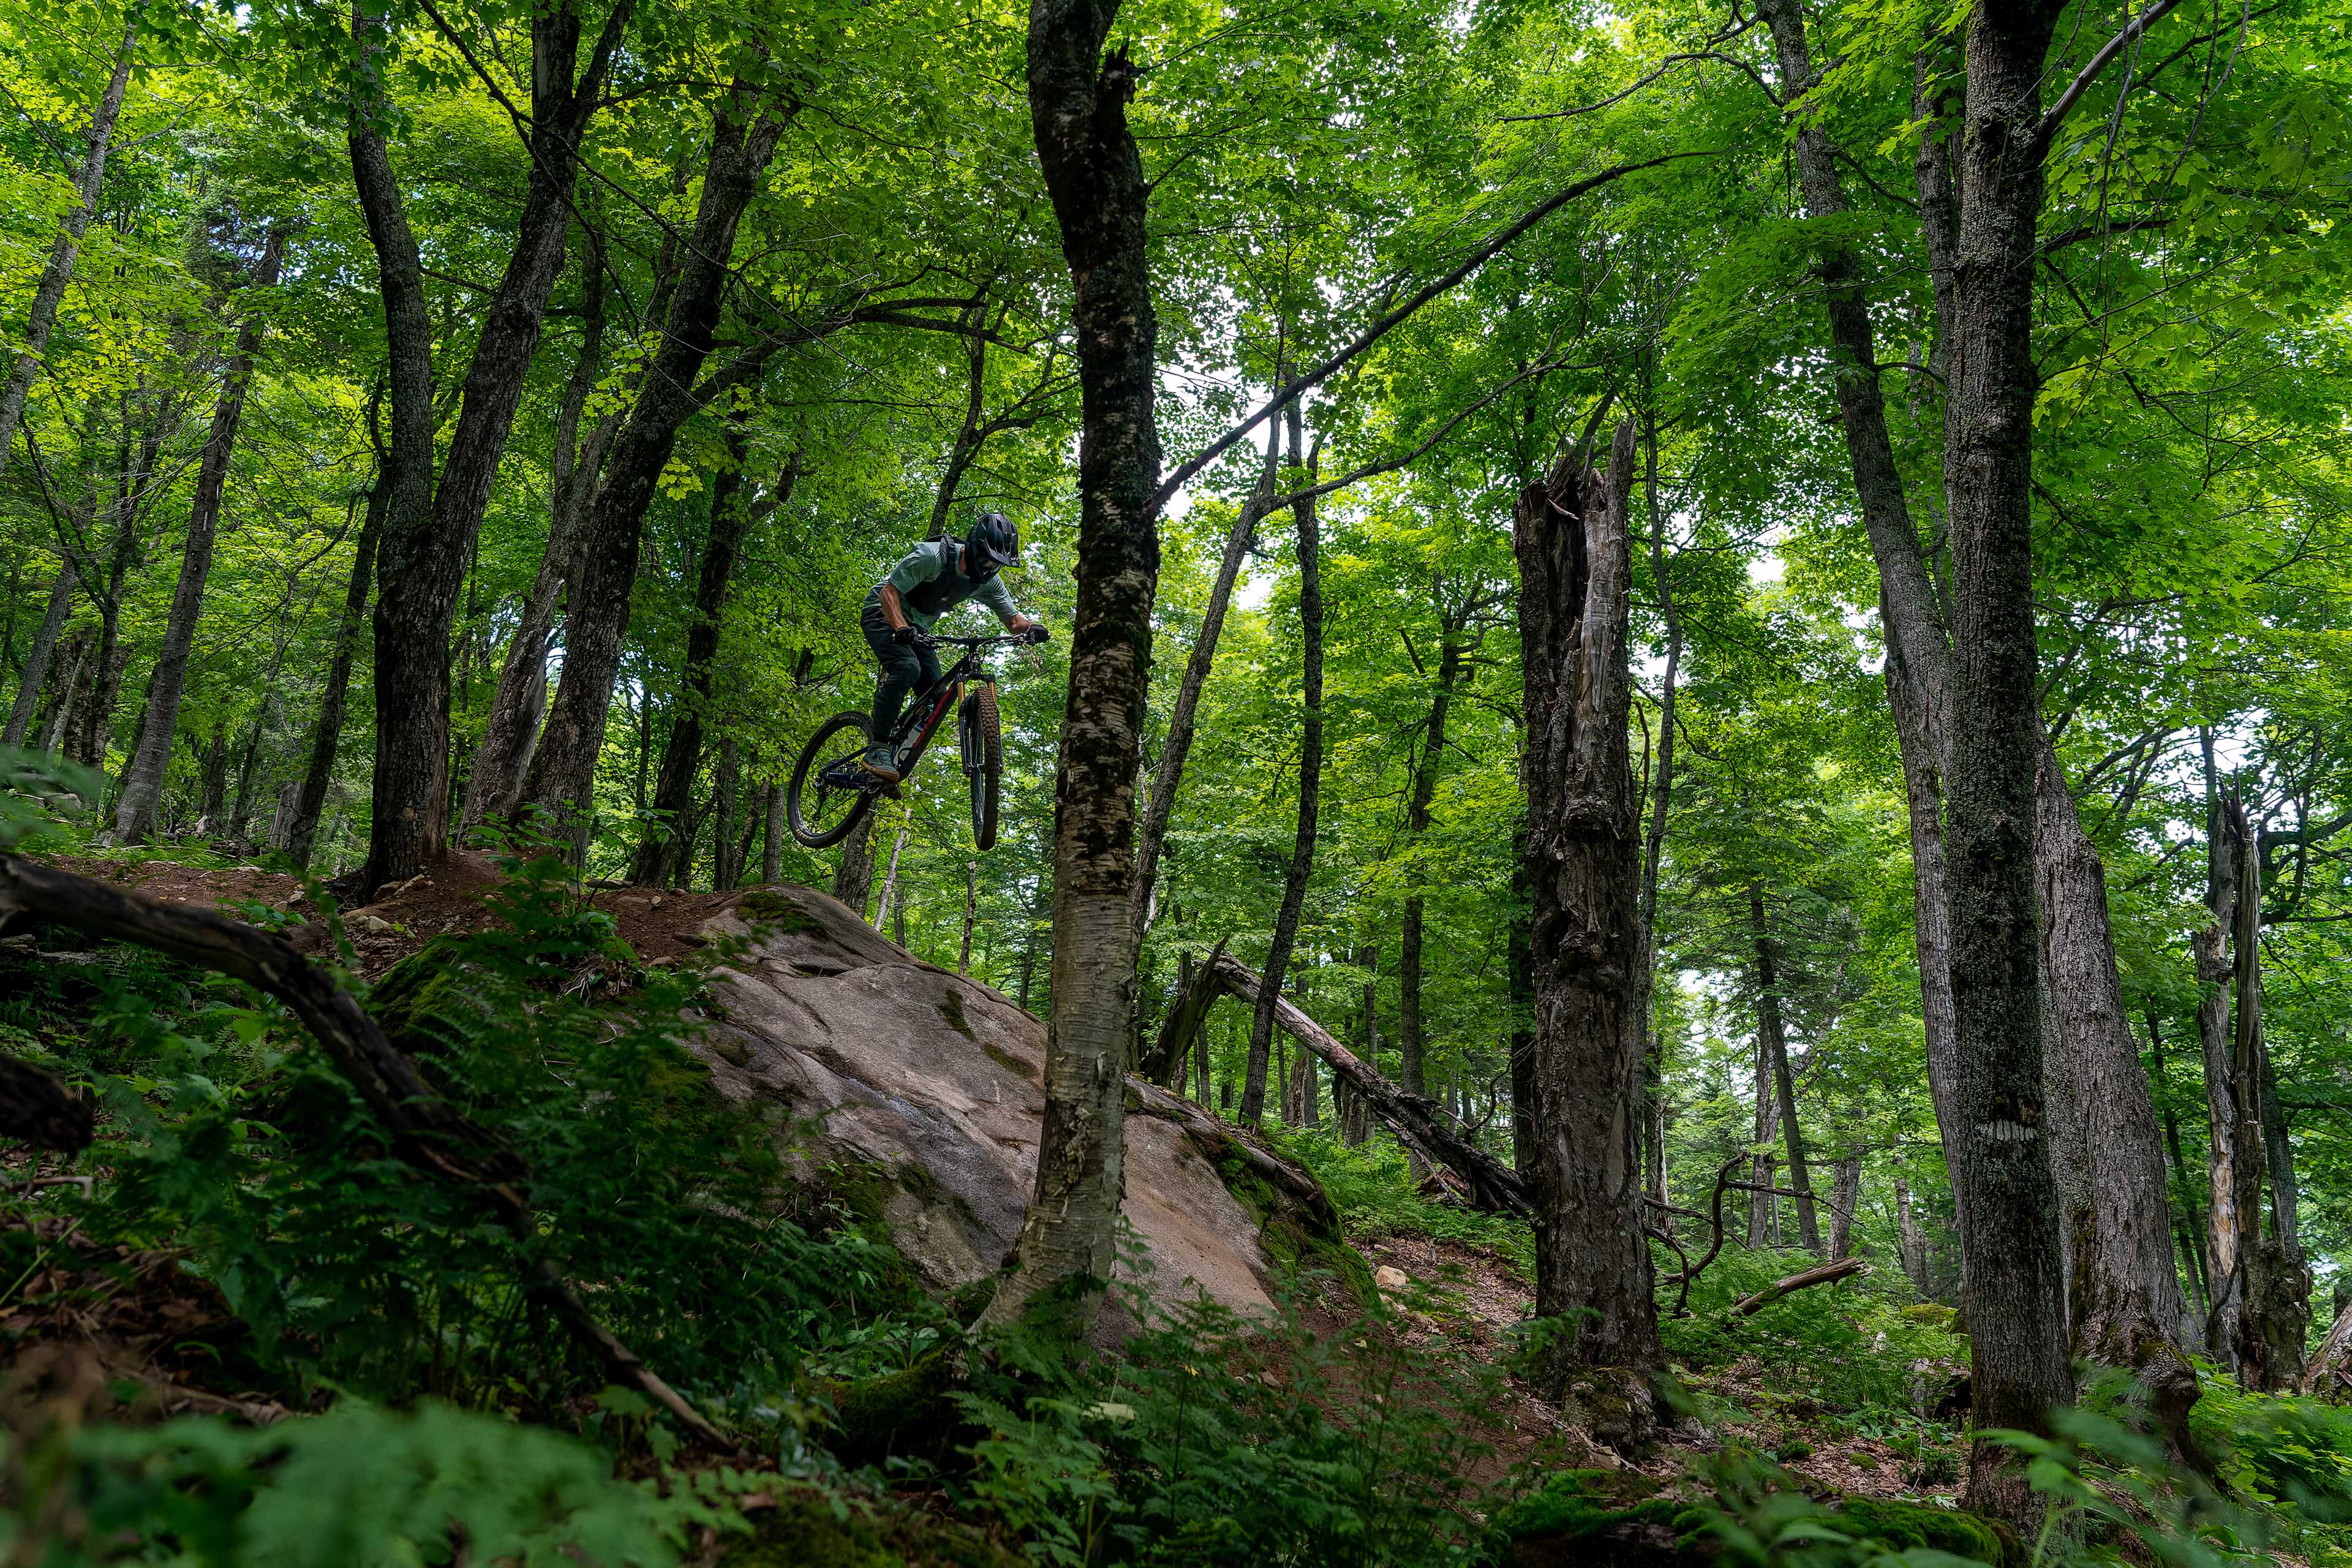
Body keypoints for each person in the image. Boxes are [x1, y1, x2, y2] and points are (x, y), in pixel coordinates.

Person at [861, 510, 1044, 781]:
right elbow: (889, 593)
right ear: (974, 547)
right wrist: (900, 628)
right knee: (907, 667)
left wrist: (1035, 628)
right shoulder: (931, 557)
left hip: (917, 627)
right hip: (883, 611)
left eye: (996, 564)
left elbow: (1015, 622)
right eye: (987, 560)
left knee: (937, 696)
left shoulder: (989, 582)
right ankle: (878, 748)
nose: (989, 568)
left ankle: (895, 760)